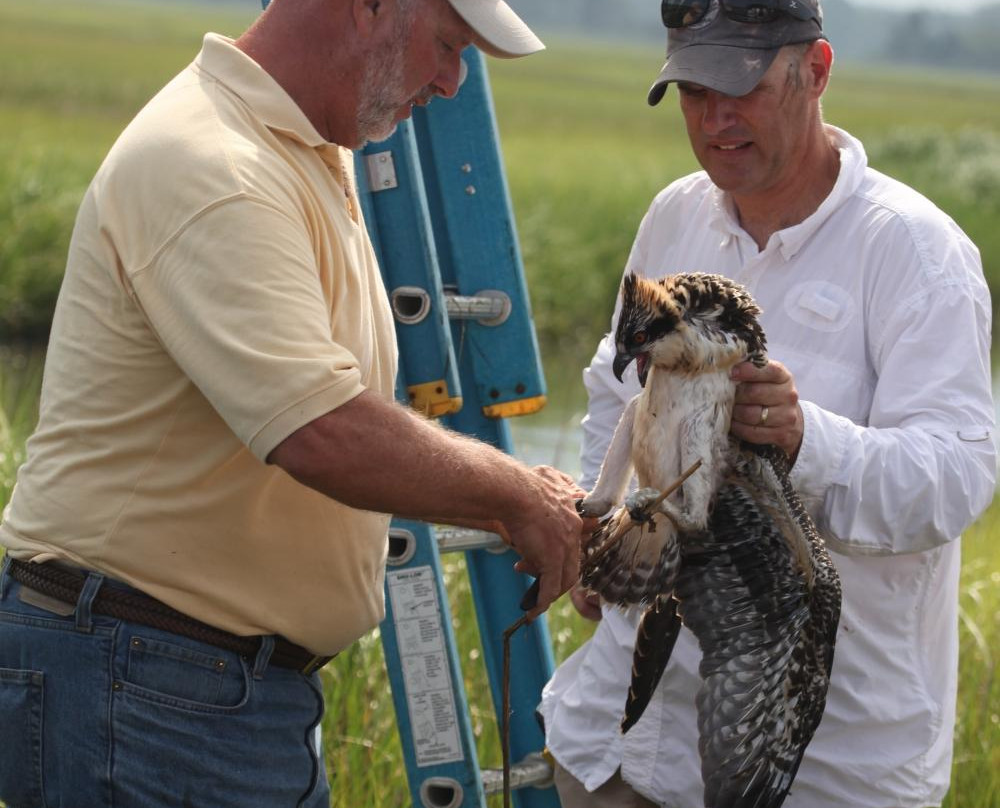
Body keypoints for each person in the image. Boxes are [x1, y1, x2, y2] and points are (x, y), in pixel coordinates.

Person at [0, 1, 589, 805]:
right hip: (143, 683)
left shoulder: (304, 147)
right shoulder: (213, 163)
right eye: (448, 44)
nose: (453, 82)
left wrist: (515, 499)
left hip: (188, 683)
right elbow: (321, 429)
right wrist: (515, 493)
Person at [539, 2, 996, 807]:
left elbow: (961, 474)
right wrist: (601, 528)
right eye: (691, 91)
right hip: (620, 745)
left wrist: (805, 440)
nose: (715, 118)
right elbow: (616, 391)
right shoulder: (675, 213)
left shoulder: (916, 252)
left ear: (816, 69)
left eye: (739, 86)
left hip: (823, 773)